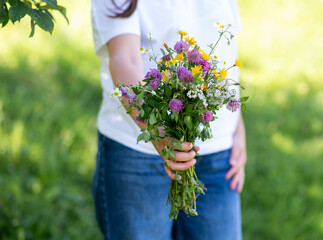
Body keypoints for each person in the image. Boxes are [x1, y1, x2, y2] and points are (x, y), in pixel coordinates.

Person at [91, 0, 247, 239]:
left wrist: (237, 127)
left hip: (219, 153)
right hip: (136, 153)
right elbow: (125, 59)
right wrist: (158, 133)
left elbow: (227, 47)